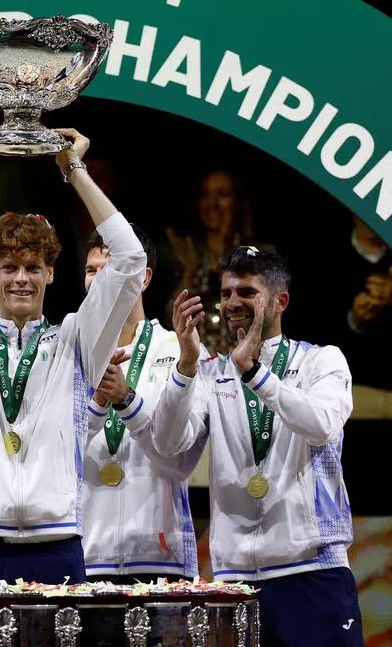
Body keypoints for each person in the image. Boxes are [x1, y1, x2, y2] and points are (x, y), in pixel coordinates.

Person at [0, 127, 146, 647]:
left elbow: (130, 260)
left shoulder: (78, 343)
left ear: (51, 275)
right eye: (9, 266)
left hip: (55, 545)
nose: (22, 278)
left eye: (34, 268)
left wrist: (73, 169)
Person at [151, 245, 363, 646]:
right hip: (236, 581)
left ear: (280, 301)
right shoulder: (211, 373)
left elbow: (321, 424)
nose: (232, 302)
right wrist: (185, 366)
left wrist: (255, 374)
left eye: (247, 292)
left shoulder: (323, 361)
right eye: (227, 292)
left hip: (313, 570)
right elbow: (168, 448)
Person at [80, 224, 203, 583]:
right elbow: (54, 454)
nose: (101, 279)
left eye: (113, 267)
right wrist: (98, 404)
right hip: (85, 561)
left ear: (144, 276)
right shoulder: (66, 354)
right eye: (91, 270)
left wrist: (127, 399)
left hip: (161, 561)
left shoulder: (180, 352)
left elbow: (177, 454)